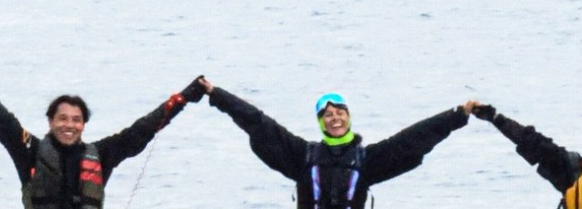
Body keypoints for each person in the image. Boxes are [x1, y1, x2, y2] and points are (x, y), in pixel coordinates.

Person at [0, 48, 206, 207]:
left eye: (76, 119)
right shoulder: (30, 150)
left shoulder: (102, 154)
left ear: (83, 125)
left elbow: (143, 130)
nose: (69, 125)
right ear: (50, 121)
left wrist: (183, 98)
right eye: (63, 118)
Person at [202, 79, 473, 209]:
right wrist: (218, 95)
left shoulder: (366, 160)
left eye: (339, 113)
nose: (334, 118)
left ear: (348, 117)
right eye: (327, 115)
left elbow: (412, 139)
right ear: (321, 123)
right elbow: (259, 123)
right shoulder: (303, 156)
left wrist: (456, 116)